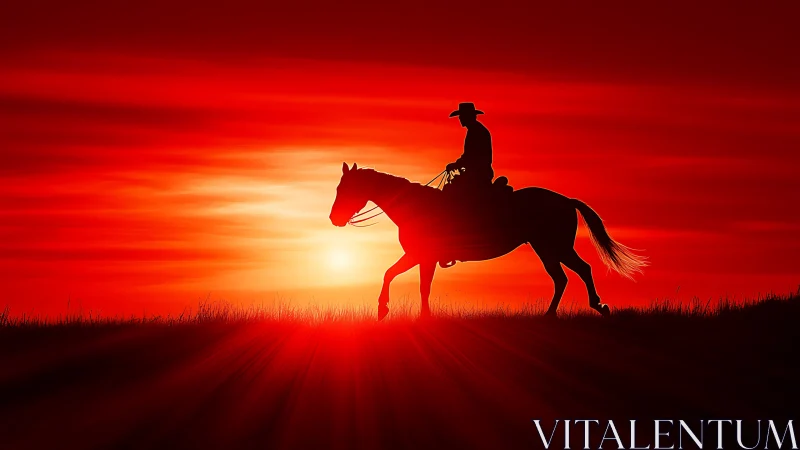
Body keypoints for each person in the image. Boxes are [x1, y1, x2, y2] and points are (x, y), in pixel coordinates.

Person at [445, 102, 494, 191]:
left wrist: (457, 164)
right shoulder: (476, 130)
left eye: (461, 116)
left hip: (477, 175)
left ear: (468, 116)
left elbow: (471, 156)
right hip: (478, 173)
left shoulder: (476, 132)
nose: (460, 118)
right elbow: (469, 155)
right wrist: (459, 164)